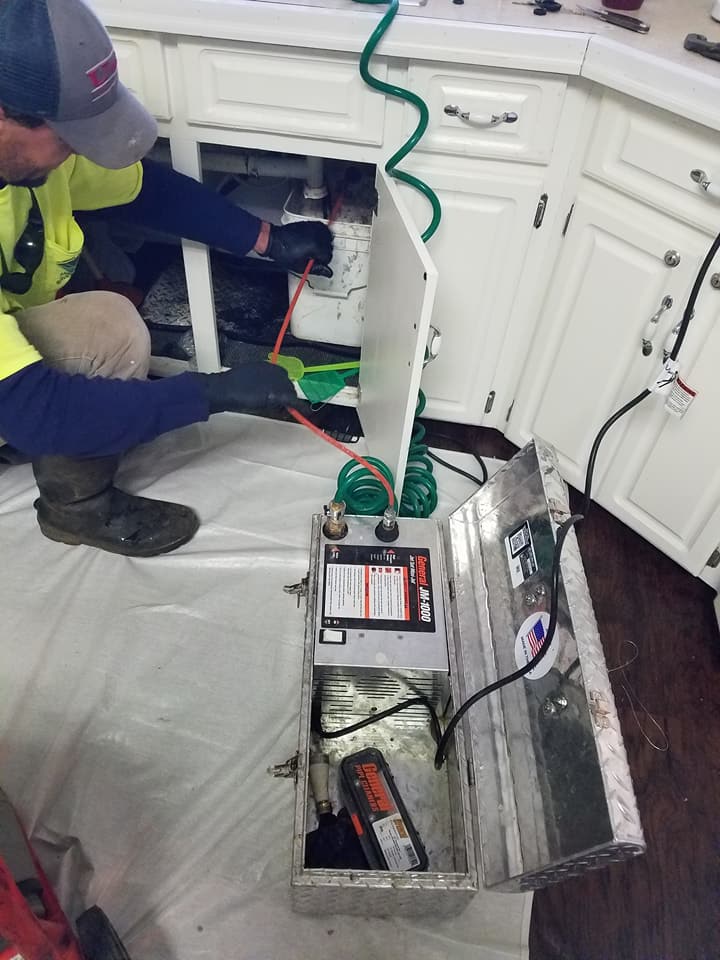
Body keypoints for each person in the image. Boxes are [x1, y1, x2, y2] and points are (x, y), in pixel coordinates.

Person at [0, 0, 334, 557]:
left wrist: (267, 240)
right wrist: (213, 393)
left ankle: (54, 485)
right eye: (70, 137)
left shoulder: (26, 160)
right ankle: (76, 511)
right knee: (47, 406)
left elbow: (144, 190)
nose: (78, 153)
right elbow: (39, 410)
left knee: (107, 327)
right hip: (20, 403)